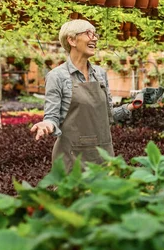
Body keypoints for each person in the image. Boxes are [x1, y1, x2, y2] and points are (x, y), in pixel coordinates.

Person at [30, 19, 135, 171]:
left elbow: (108, 114)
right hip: (72, 158)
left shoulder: (100, 74)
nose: (95, 38)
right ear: (71, 40)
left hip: (103, 156)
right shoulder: (57, 76)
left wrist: (132, 105)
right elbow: (52, 116)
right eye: (88, 33)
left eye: (95, 34)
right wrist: (47, 124)